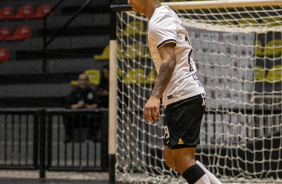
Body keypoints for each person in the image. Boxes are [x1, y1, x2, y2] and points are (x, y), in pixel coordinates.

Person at [127, 0, 222, 183]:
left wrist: (155, 96)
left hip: (182, 94)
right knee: (172, 159)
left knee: (184, 160)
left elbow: (169, 61)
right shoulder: (161, 16)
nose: (129, 1)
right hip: (178, 96)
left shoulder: (160, 19)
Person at [65, 73, 100, 142]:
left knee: (96, 115)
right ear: (78, 81)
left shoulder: (92, 92)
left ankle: (92, 135)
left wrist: (89, 107)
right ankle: (69, 136)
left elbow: (98, 104)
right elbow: (67, 105)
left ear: (88, 81)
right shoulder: (74, 92)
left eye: (85, 80)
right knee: (66, 116)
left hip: (88, 116)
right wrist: (77, 106)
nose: (83, 82)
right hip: (76, 117)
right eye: (81, 80)